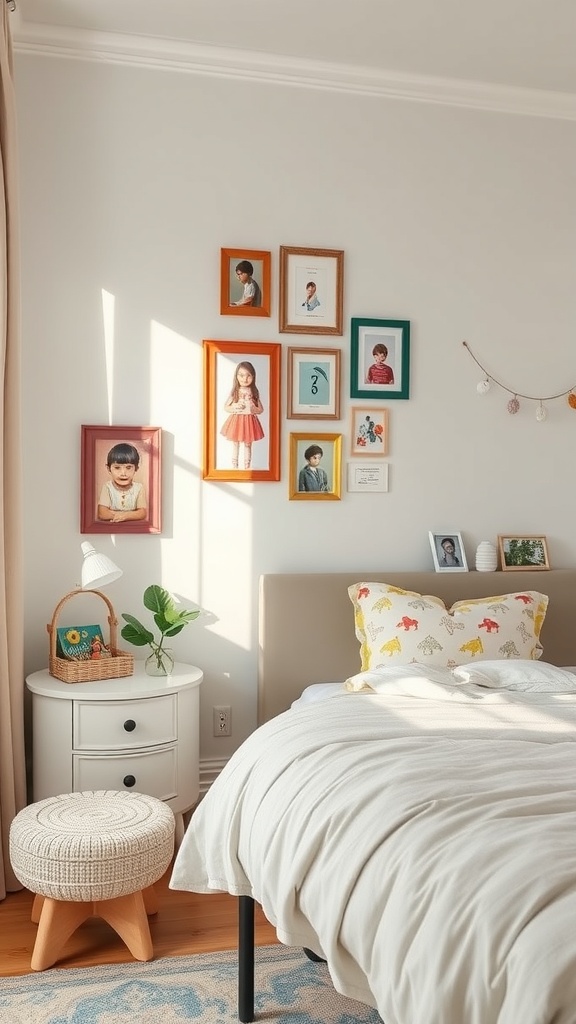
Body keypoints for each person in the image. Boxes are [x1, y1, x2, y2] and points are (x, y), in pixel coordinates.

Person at [220, 361, 265, 470]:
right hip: (237, 420)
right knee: (236, 443)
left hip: (249, 420)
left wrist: (254, 409)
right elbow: (226, 407)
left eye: (248, 375)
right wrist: (235, 406)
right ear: (236, 376)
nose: (245, 379)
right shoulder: (235, 391)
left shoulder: (254, 392)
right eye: (241, 375)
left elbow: (261, 409)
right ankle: (235, 466)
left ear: (253, 377)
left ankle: (247, 466)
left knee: (248, 444)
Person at [98, 442, 147, 523]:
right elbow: (102, 513)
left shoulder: (139, 488)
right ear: (109, 469)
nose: (123, 473)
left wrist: (124, 516)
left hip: (134, 529)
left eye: (128, 467)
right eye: (117, 468)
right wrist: (132, 515)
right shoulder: (107, 487)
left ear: (136, 468)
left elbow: (142, 513)